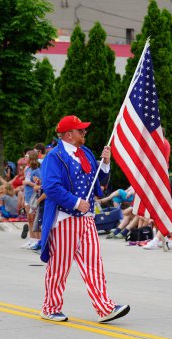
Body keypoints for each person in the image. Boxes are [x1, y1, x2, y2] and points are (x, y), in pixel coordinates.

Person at [40, 115, 130, 323]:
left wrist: (106, 164)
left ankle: (104, 307)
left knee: (94, 263)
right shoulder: (55, 156)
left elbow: (99, 185)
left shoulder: (86, 153)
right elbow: (51, 187)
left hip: (87, 219)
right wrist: (75, 202)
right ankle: (50, 307)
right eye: (81, 131)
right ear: (69, 135)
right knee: (60, 267)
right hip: (65, 219)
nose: (85, 133)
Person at [20, 150, 41, 249]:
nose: (25, 158)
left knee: (34, 219)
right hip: (27, 197)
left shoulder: (36, 170)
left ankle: (37, 240)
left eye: (27, 156)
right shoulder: (27, 169)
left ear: (31, 158)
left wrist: (28, 183)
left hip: (33, 197)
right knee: (29, 218)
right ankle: (31, 239)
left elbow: (39, 185)